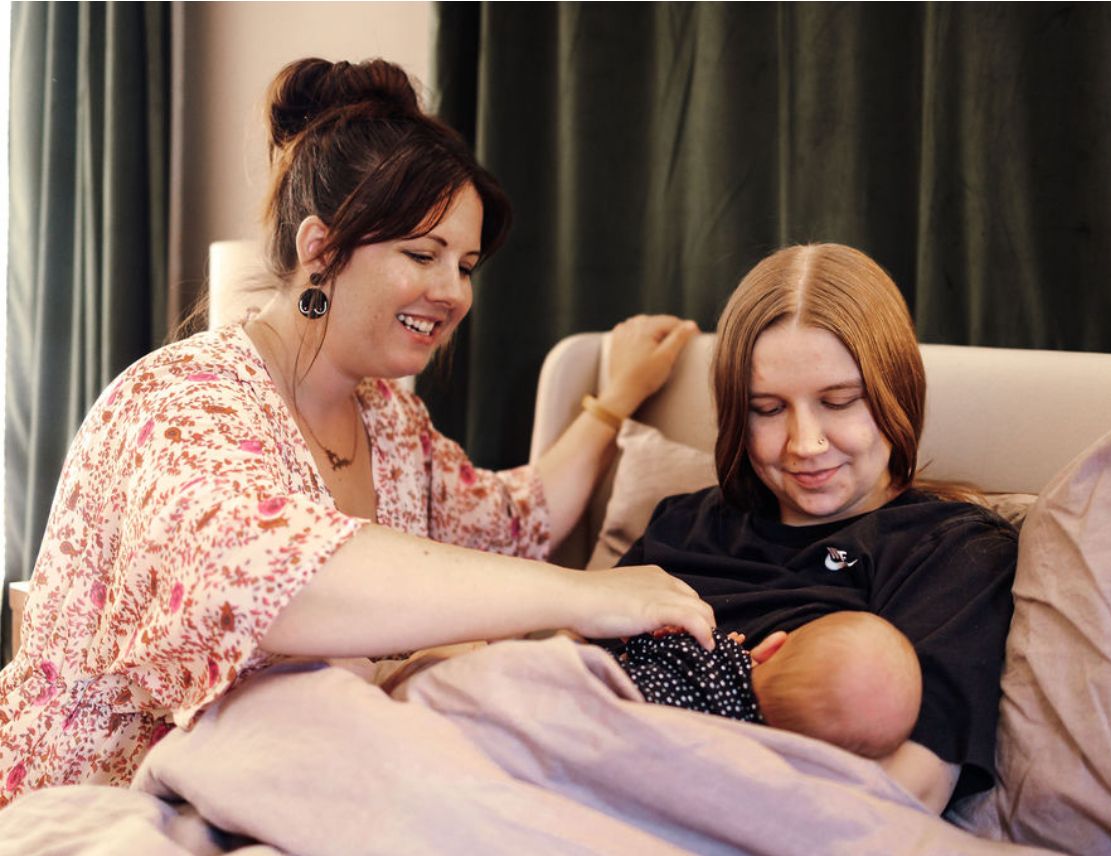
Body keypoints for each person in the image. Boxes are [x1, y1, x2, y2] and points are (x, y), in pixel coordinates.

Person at [0, 57, 714, 808]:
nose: (453, 293)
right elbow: (266, 578)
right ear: (320, 247)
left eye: (466, 265)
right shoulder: (181, 400)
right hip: (100, 802)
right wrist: (586, 597)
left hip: (272, 802)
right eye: (422, 254)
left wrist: (615, 397)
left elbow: (518, 519)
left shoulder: (393, 422)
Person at [617, 243, 1019, 813]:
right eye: (767, 409)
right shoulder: (683, 523)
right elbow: (565, 663)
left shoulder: (954, 552)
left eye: (839, 401)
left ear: (895, 391)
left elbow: (909, 792)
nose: (805, 444)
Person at [618, 611, 922, 760]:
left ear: (773, 646)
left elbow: (635, 633)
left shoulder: (711, 649)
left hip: (614, 695)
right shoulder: (752, 756)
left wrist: (667, 633)